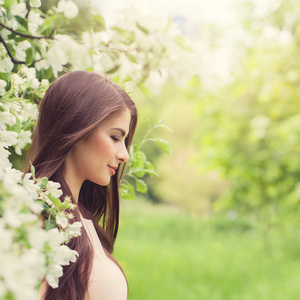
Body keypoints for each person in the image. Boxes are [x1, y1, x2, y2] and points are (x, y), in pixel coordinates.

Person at [24, 70, 137, 300]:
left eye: (124, 141)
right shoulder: (30, 217)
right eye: (115, 137)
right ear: (76, 129)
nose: (124, 154)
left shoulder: (81, 223)